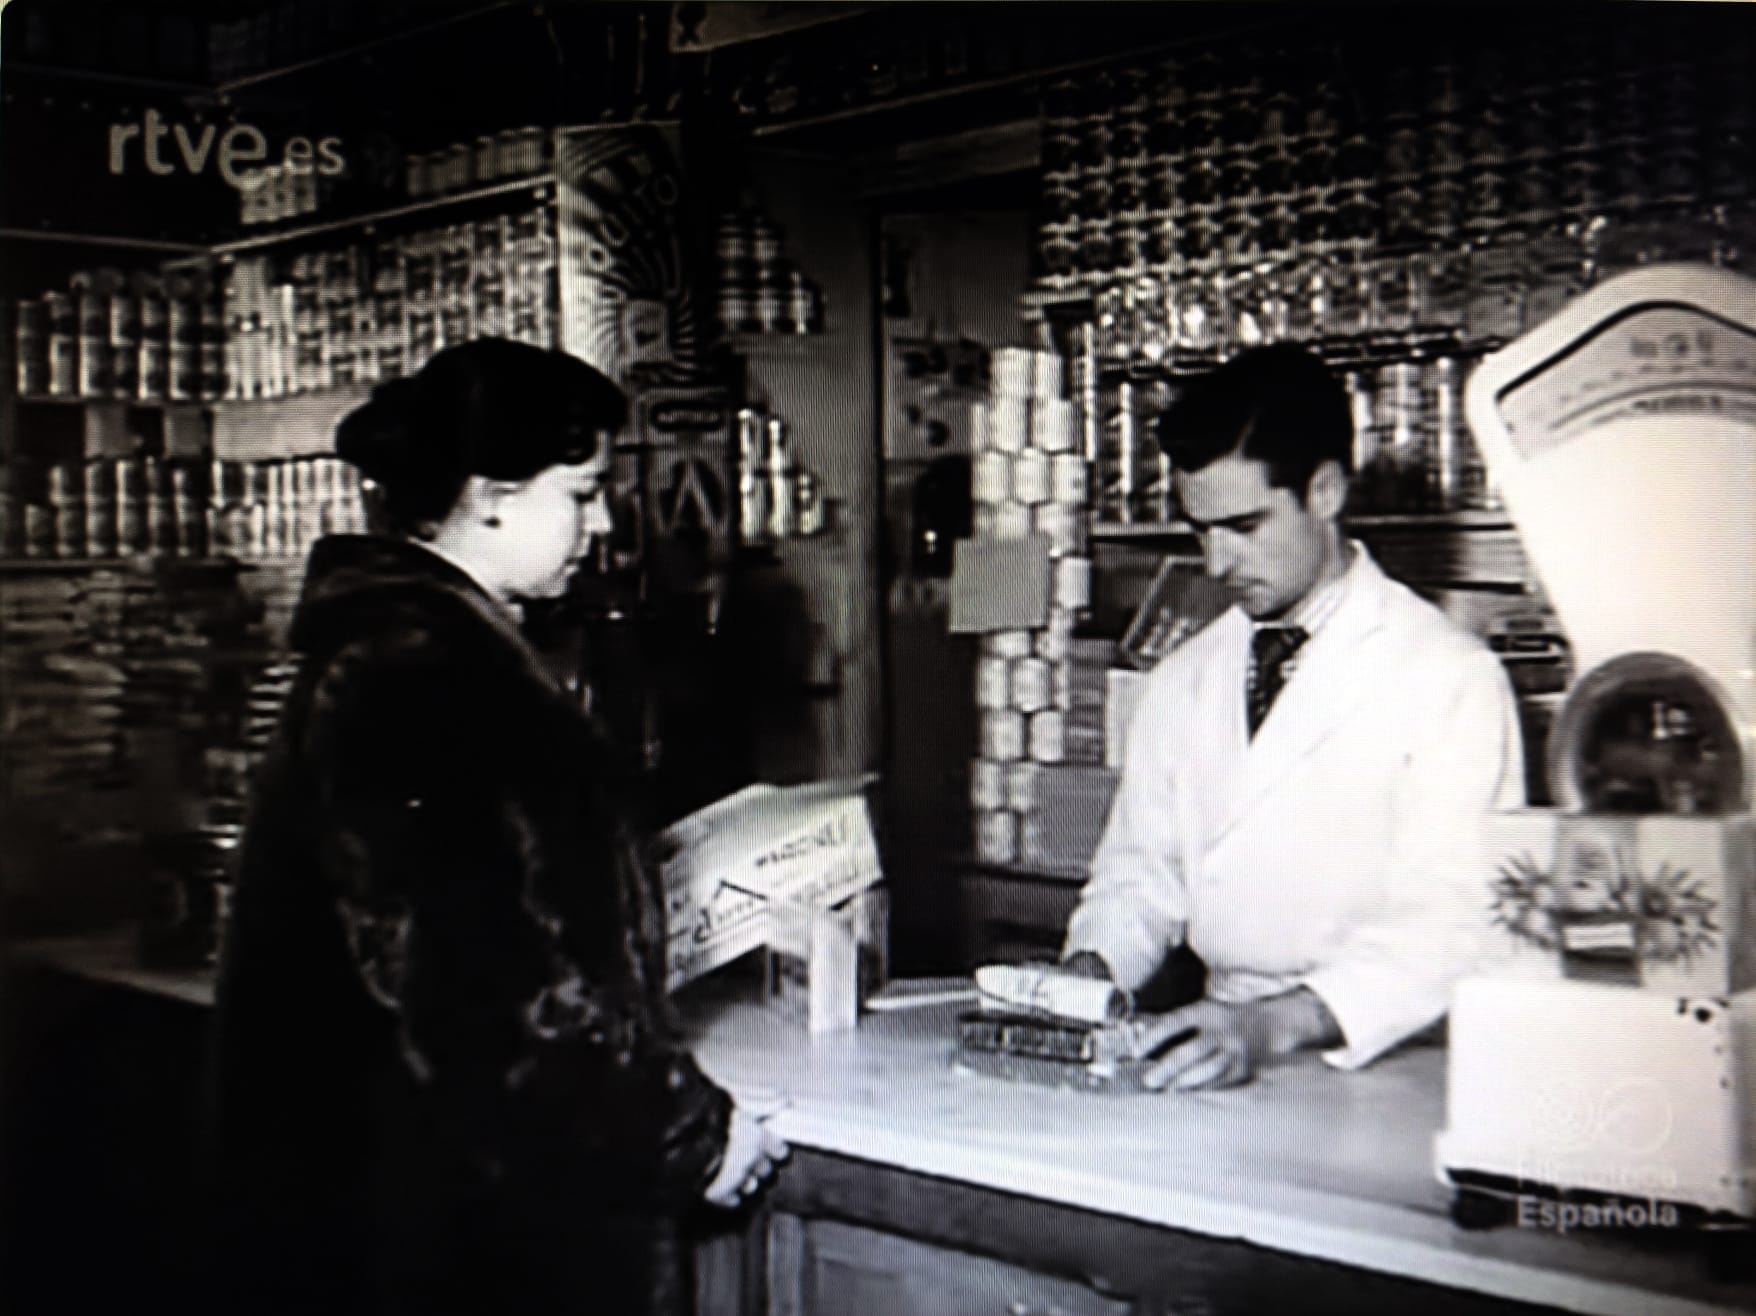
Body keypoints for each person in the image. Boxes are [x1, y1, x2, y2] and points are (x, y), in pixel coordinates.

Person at [212, 338, 785, 1316]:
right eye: (583, 492)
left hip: (424, 1204)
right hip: (444, 1228)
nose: (604, 523)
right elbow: (485, 994)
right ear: (489, 495)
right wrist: (691, 1135)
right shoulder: (425, 672)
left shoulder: (425, 648)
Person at [1061, 344, 1525, 1092]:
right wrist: (1093, 965)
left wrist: (1271, 1024)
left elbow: (1458, 924)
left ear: (1325, 491)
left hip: (1385, 1062)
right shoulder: (1184, 676)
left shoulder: (1450, 676)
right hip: (1218, 1047)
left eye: (1244, 525)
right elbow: (1141, 871)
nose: (1217, 563)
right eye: (1200, 530)